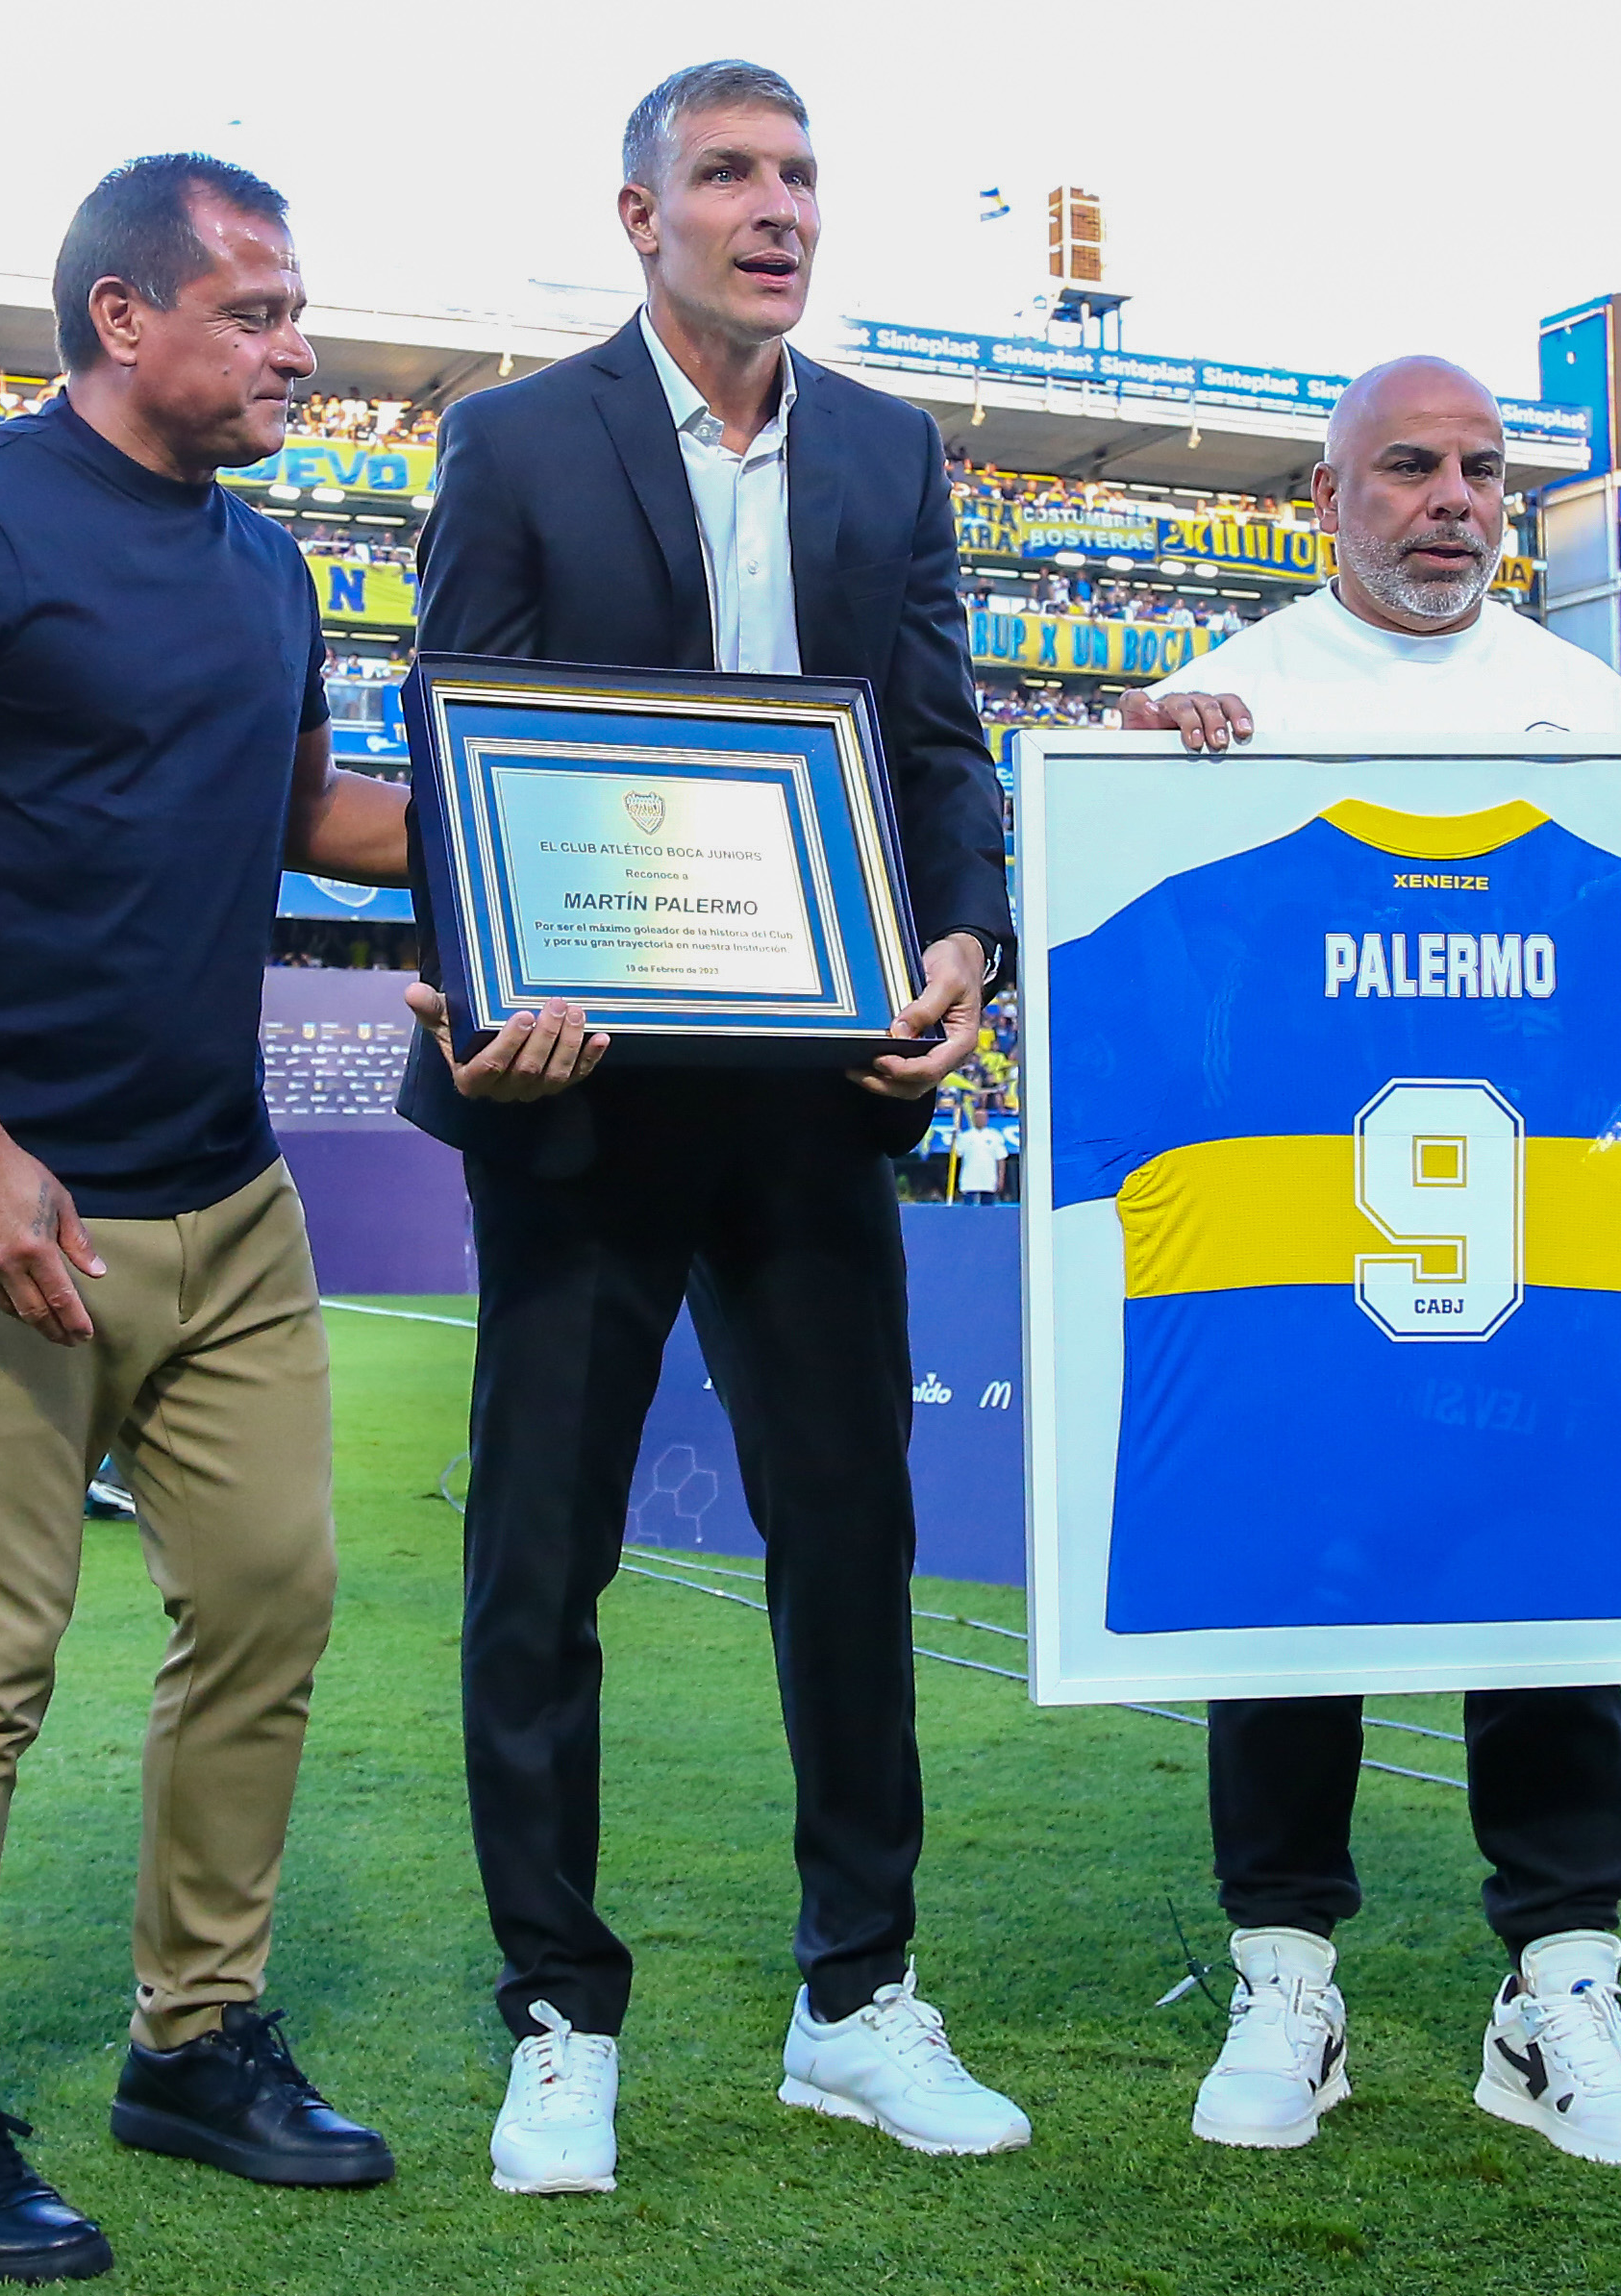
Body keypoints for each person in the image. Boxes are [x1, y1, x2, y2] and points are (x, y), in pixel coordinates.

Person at [0, 155, 434, 2281]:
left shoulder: (260, 569)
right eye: (252, 311)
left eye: (295, 309)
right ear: (124, 318)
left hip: (221, 1194)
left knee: (267, 1604)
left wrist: (564, 834)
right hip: (0, 1202)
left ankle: (195, 2036)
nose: (296, 350)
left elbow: (310, 819)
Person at [396, 60, 1025, 2196]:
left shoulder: (882, 447)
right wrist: (492, 988)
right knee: (535, 1561)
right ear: (640, 214)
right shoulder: (513, 438)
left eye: (799, 177)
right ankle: (556, 2013)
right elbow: (456, 729)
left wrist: (959, 949)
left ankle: (856, 1997)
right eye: (730, 176)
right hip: (583, 1106)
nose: (775, 210)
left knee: (848, 1548)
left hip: (821, 1096)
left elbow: (938, 745)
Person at [1118, 356, 1621, 2173]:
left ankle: (1561, 1984)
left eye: (1480, 473)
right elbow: (1158, 976)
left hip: (1537, 1242)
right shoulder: (1232, 697)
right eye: (1409, 469)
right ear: (1327, 495)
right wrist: (1130, 788)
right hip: (1304, 1249)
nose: (1451, 500)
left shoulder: (1582, 696)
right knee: (1290, 1592)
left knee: (1555, 1583)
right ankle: (1287, 1972)